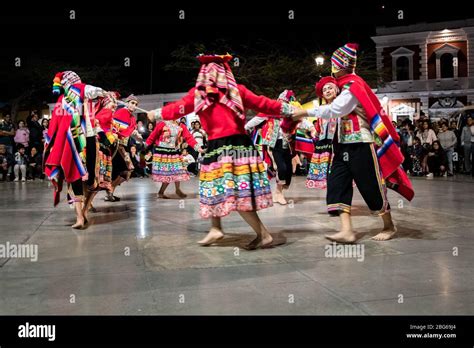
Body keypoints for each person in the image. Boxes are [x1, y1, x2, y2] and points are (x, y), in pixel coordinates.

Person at [147, 54, 294, 249]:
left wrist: (156, 113)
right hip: (228, 147)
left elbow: (264, 104)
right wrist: (159, 113)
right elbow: (263, 104)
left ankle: (263, 234)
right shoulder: (212, 93)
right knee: (214, 189)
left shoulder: (213, 93)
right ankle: (216, 228)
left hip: (231, 147)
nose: (212, 74)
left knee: (234, 193)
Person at [293, 43, 414, 243]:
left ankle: (389, 225)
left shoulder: (352, 86)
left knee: (370, 186)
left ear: (337, 65)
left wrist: (304, 111)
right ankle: (347, 231)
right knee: (336, 184)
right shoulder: (344, 87)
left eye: (333, 63)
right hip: (341, 146)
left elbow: (338, 110)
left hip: (360, 143)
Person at [43, 70, 110, 229]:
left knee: (88, 180)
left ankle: (84, 213)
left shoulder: (77, 97)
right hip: (77, 141)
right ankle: (80, 217)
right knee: (76, 178)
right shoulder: (75, 92)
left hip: (84, 139)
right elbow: (96, 90)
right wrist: (104, 92)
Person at [244, 90, 298, 205]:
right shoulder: (269, 112)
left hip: (287, 145)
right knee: (281, 168)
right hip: (274, 144)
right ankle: (279, 193)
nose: (282, 105)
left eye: (285, 103)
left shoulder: (291, 115)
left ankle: (278, 193)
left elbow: (302, 123)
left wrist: (311, 129)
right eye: (281, 102)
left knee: (288, 170)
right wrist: (244, 129)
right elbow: (254, 121)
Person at [145, 119, 203, 198]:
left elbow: (189, 137)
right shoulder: (162, 124)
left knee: (177, 170)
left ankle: (177, 189)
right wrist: (145, 146)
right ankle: (161, 192)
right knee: (168, 174)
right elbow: (153, 135)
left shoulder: (181, 125)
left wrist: (197, 147)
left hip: (174, 152)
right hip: (164, 152)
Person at [305, 77, 338, 189]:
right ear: (322, 95)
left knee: (336, 172)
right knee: (326, 172)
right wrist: (314, 132)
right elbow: (319, 128)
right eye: (324, 90)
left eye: (330, 88)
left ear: (336, 90)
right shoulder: (321, 109)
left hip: (337, 142)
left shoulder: (341, 106)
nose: (327, 91)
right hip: (323, 144)